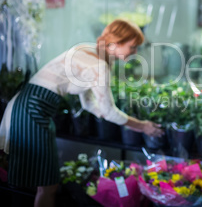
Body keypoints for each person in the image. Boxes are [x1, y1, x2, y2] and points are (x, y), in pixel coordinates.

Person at [0, 19, 164, 207]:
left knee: (40, 183)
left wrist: (101, 111)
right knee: (47, 186)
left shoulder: (88, 51)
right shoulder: (99, 67)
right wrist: (143, 126)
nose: (135, 52)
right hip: (33, 110)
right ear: (115, 43)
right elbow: (109, 111)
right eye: (133, 47)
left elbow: (88, 103)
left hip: (30, 106)